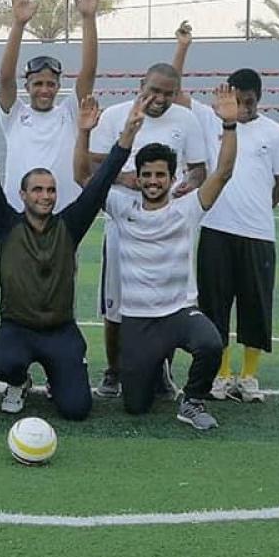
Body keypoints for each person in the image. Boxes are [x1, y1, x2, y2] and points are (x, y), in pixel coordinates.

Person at [0, 90, 140, 420]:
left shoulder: (69, 225)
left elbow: (100, 183)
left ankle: (61, 379)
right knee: (5, 362)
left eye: (51, 190)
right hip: (18, 328)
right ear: (23, 194)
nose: (46, 196)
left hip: (60, 331)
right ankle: (18, 381)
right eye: (38, 190)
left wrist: (126, 137)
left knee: (76, 409)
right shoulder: (5, 224)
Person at [104, 86, 240, 429]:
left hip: (179, 312)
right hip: (137, 318)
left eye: (160, 174)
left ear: (173, 177)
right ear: (137, 177)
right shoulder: (121, 207)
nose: (153, 181)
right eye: (146, 174)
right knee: (135, 406)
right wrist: (114, 135)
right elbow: (81, 176)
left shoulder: (187, 209)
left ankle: (192, 401)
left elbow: (222, 173)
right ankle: (154, 367)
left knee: (210, 343)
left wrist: (229, 126)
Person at [172, 28, 279, 401]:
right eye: (237, 101)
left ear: (259, 98)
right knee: (215, 304)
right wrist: (183, 47)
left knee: (256, 306)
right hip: (216, 229)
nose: (242, 108)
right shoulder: (212, 121)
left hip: (256, 233)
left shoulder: (273, 133)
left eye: (249, 102)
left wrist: (261, 207)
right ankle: (221, 375)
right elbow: (175, 92)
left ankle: (249, 376)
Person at [84, 62, 208, 398]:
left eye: (168, 93)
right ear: (141, 83)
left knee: (167, 302)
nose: (160, 99)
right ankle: (113, 371)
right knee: (116, 303)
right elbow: (92, 166)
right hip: (123, 220)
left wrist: (188, 186)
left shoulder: (186, 119)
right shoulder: (115, 117)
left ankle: (161, 371)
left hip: (170, 223)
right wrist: (123, 178)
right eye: (154, 90)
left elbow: (199, 170)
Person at [0, 0, 101, 210]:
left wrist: (88, 19)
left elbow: (89, 72)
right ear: (27, 87)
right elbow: (5, 78)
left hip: (63, 214)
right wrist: (18, 24)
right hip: (18, 213)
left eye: (51, 84)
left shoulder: (70, 112)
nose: (44, 90)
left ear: (58, 86)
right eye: (38, 84)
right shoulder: (14, 115)